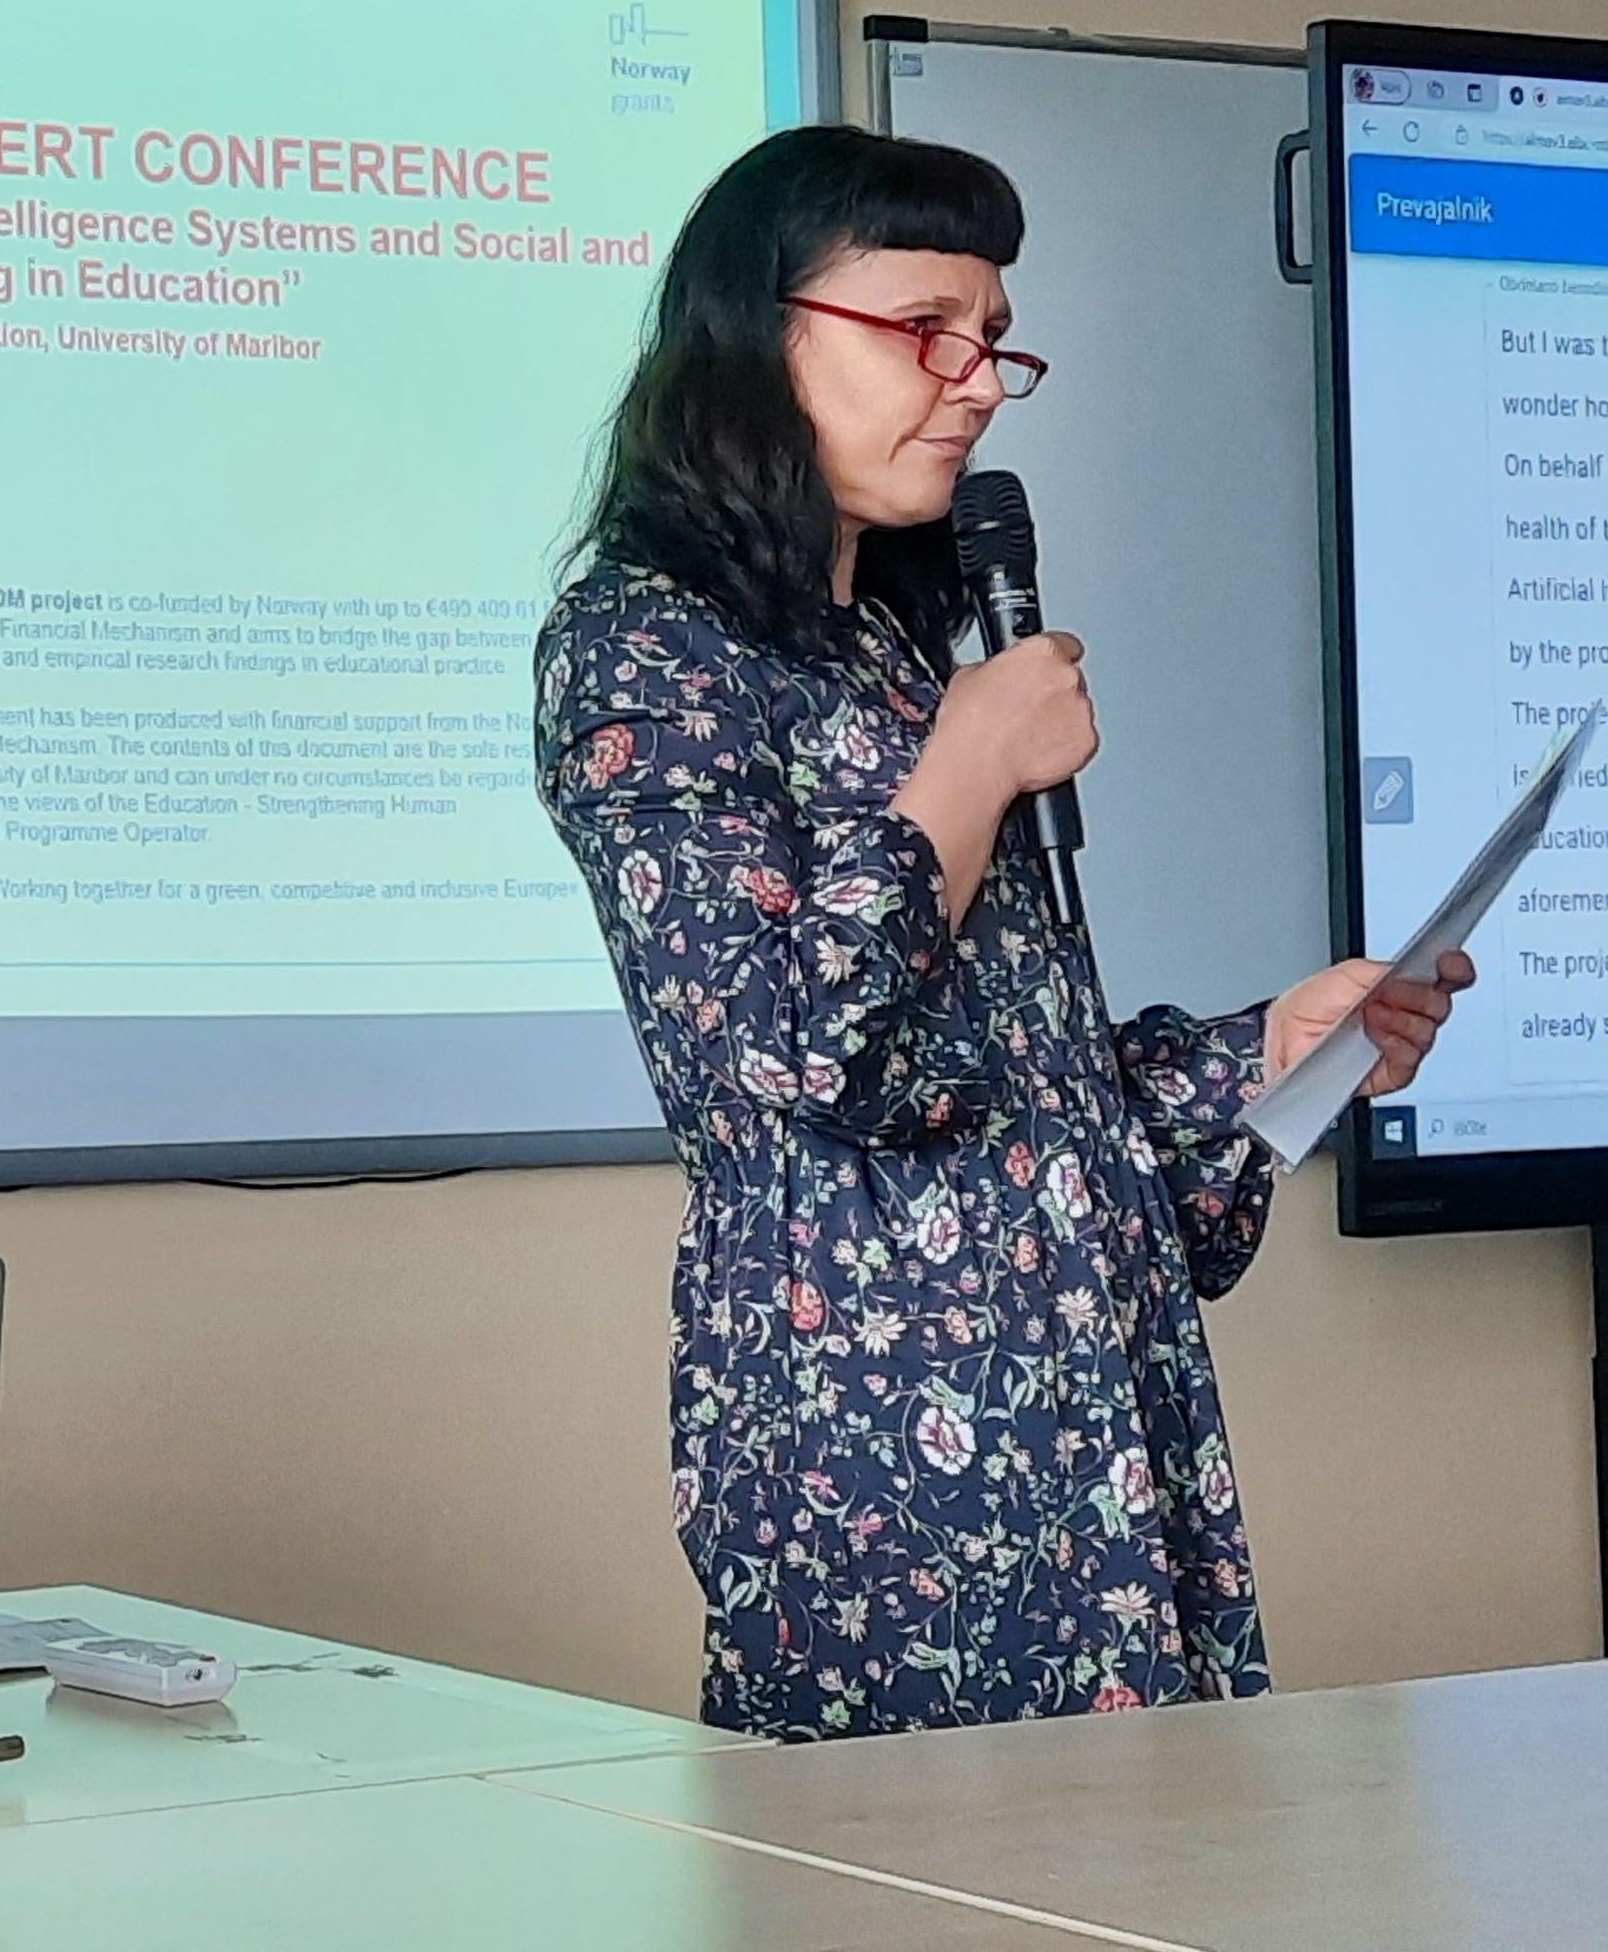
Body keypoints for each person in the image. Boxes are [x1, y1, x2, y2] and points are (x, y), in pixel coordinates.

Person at [533, 124, 1469, 1740]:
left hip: (1092, 1410)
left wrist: (1268, 1054)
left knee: (1159, 1880)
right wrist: (964, 766)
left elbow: (1013, 1084)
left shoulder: (902, 651)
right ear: (760, 335)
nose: (973, 379)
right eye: (925, 330)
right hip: (887, 1452)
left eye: (993, 339)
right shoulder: (643, 650)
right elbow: (790, 1061)